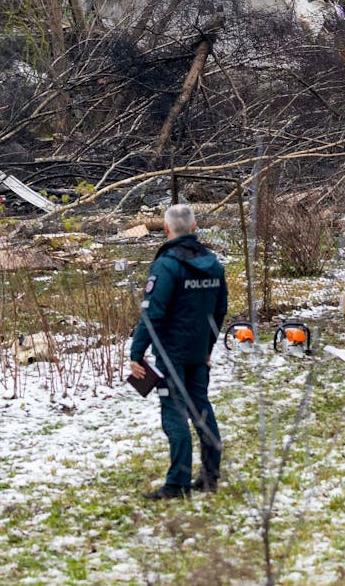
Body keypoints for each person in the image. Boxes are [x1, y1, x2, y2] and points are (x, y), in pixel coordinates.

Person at [128, 204, 228, 499]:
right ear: (195, 228)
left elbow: (151, 314)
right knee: (201, 410)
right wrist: (208, 346)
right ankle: (210, 477)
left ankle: (177, 484)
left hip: (170, 354)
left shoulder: (166, 265)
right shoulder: (213, 264)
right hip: (198, 352)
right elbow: (219, 310)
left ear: (166, 228)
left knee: (174, 414)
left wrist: (136, 353)